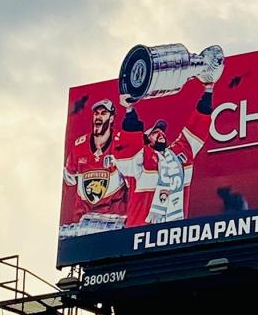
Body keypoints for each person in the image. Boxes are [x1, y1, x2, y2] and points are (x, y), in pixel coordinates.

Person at [114, 77, 215, 225]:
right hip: (139, 232)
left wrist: (208, 90)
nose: (161, 133)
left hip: (173, 233)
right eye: (155, 132)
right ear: (145, 140)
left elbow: (198, 126)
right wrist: (129, 109)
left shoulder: (181, 152)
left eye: (161, 132)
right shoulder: (141, 159)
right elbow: (129, 146)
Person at [61, 97, 140, 237]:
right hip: (83, 224)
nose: (98, 116)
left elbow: (138, 141)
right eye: (96, 113)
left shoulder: (121, 142)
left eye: (103, 113)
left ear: (111, 118)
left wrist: (129, 109)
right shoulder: (79, 146)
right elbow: (69, 180)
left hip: (114, 223)